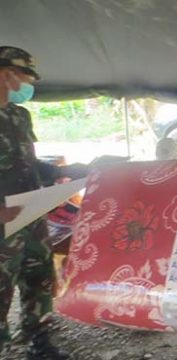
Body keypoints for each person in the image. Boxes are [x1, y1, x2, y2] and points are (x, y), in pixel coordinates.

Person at [0, 46, 87, 359]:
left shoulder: (18, 116)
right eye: (22, 73)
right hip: (3, 220)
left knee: (38, 277)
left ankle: (38, 340)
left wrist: (64, 173)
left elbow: (27, 163)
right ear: (5, 71)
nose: (25, 81)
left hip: (30, 212)